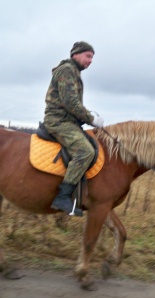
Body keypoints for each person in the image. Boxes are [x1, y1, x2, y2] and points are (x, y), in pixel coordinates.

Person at [43, 41, 104, 217]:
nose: (90, 61)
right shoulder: (67, 70)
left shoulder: (74, 72)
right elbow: (69, 102)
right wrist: (91, 118)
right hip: (58, 121)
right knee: (85, 152)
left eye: (92, 57)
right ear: (76, 54)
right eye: (88, 56)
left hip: (68, 121)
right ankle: (62, 197)